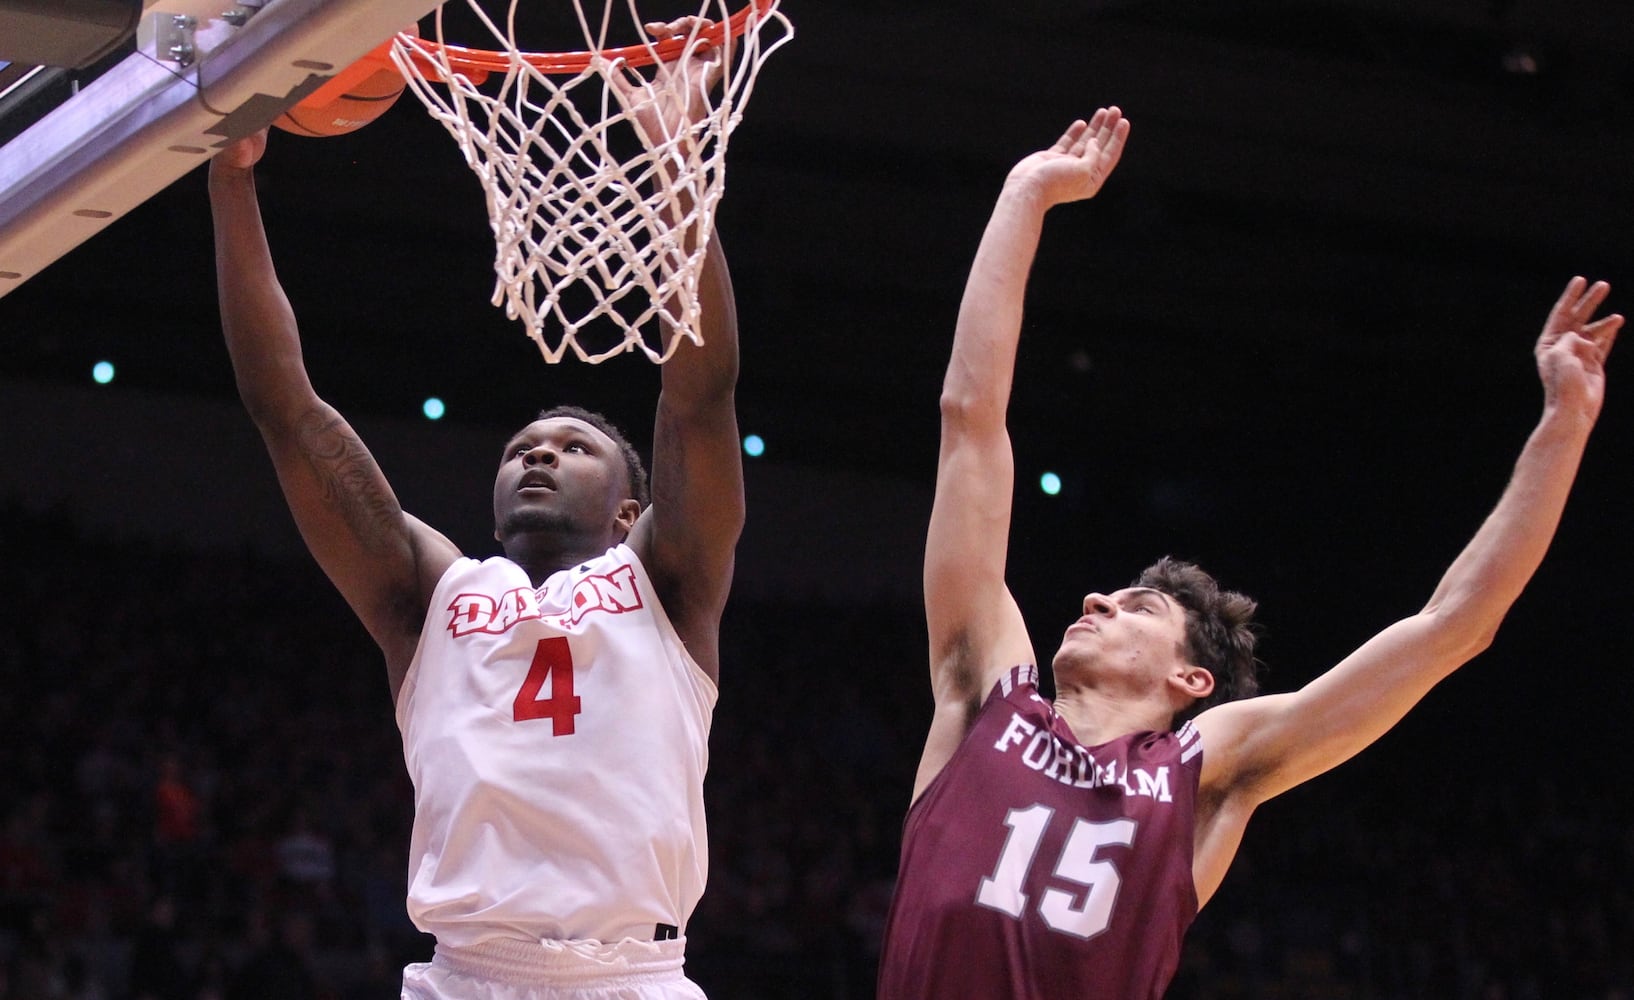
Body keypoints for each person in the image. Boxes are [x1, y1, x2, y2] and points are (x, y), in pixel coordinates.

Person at [875, 107, 1622, 999]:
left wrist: (1563, 427)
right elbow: (971, 427)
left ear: (1192, 683)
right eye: (1110, 596)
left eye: (1136, 607)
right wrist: (1023, 197)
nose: (1094, 602)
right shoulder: (984, 696)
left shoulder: (1208, 772)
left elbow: (1453, 628)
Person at [207, 22, 742, 1000]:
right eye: (520, 449)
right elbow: (287, 411)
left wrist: (674, 163)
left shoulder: (665, 580)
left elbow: (699, 396)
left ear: (630, 509)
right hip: (466, 980)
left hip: (633, 977)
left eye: (571, 446)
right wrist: (234, 180)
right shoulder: (431, 594)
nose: (538, 453)